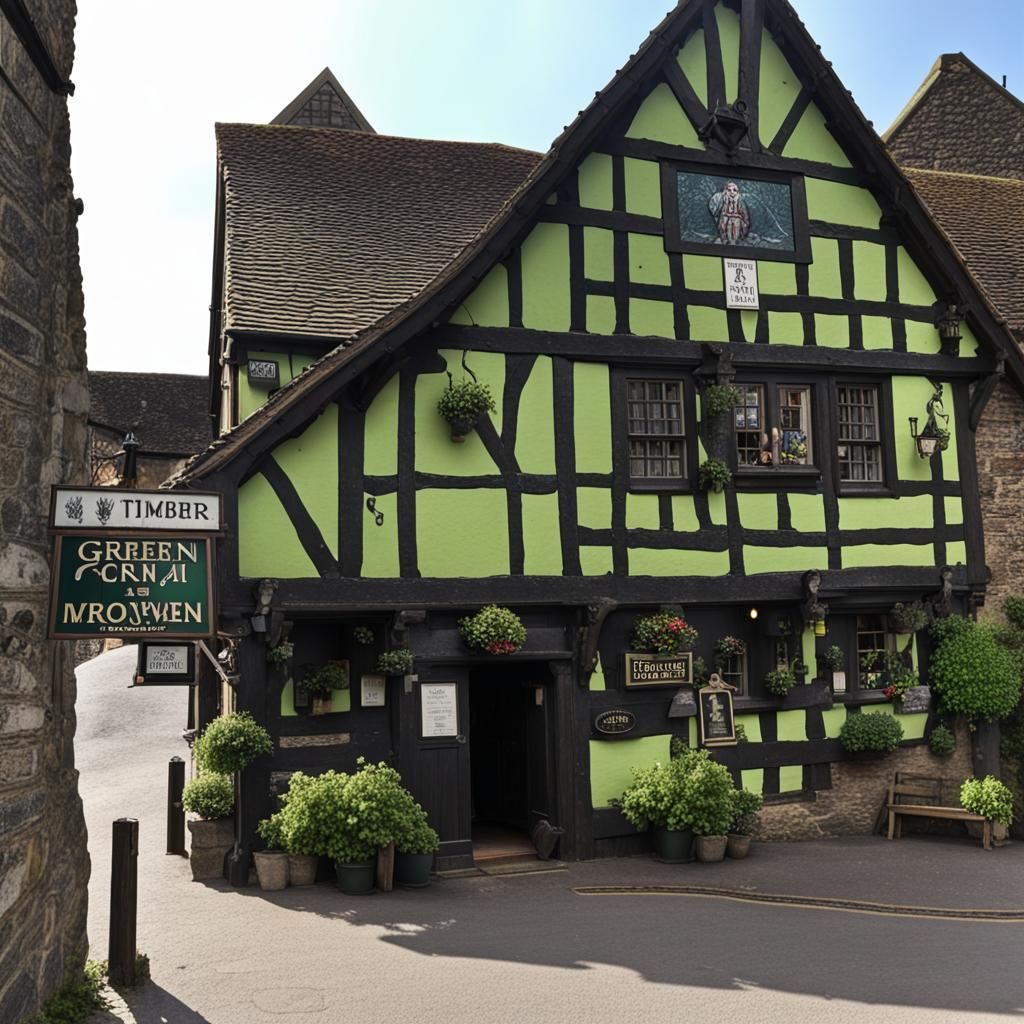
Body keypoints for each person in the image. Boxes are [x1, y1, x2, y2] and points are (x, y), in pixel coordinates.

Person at [708, 180, 750, 245]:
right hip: (725, 219)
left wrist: (745, 224)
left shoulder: (740, 200)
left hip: (737, 220)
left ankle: (734, 242)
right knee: (725, 234)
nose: (732, 192)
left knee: (735, 235)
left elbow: (744, 214)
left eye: (734, 190)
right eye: (729, 190)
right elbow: (716, 210)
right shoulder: (722, 198)